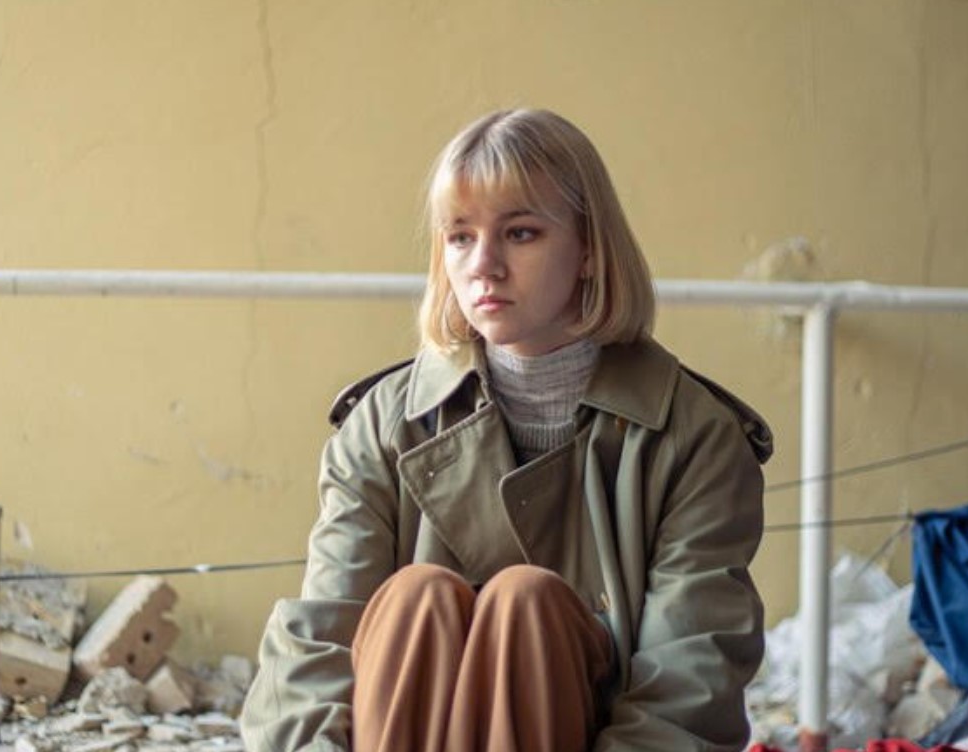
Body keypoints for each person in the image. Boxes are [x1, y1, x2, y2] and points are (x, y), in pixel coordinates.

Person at [239, 108, 773, 752]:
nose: (483, 266)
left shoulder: (695, 436)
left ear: (589, 250)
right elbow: (323, 637)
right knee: (416, 599)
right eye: (460, 237)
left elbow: (689, 681)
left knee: (528, 603)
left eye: (520, 233)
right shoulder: (381, 422)